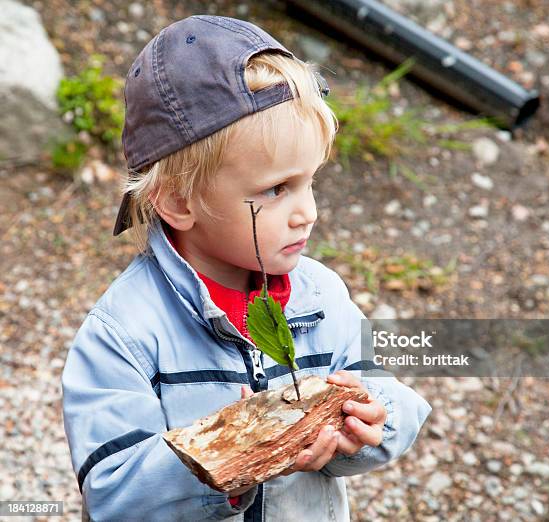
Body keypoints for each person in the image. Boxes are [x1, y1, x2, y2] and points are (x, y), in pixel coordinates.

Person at [62, 14, 431, 522]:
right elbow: (114, 492)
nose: (309, 212)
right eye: (277, 190)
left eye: (309, 182)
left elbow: (388, 392)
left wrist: (373, 422)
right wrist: (233, 456)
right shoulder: (125, 332)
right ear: (178, 201)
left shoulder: (320, 296)